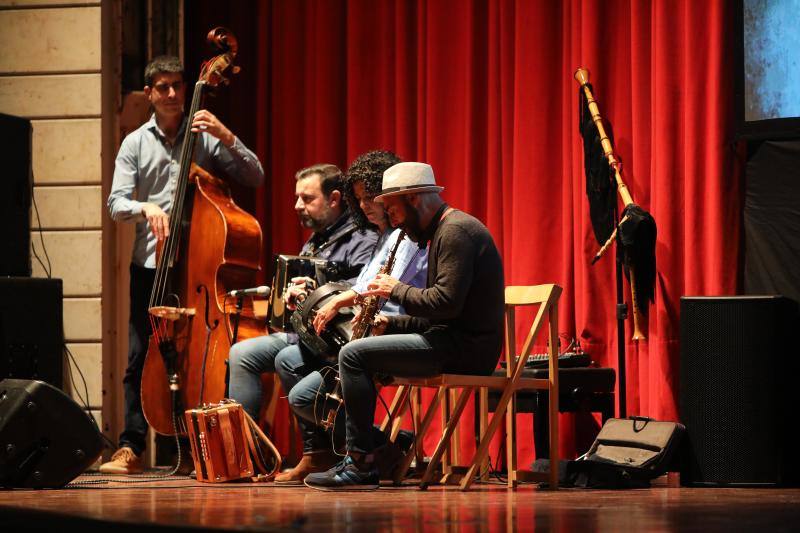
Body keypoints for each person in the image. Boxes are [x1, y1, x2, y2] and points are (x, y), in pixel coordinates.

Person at [103, 56, 265, 474]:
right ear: (149, 94)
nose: (173, 94)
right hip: (152, 265)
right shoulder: (136, 142)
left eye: (178, 85)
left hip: (201, 265)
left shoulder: (206, 138)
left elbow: (255, 175)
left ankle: (200, 445)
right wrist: (146, 207)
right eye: (163, 87)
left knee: (204, 353)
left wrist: (227, 137)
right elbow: (116, 203)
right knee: (143, 353)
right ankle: (131, 447)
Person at [303, 162, 505, 491]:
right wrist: (392, 323)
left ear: (413, 199)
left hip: (467, 349)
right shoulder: (440, 231)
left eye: (393, 211)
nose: (394, 221)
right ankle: (375, 452)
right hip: (448, 337)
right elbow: (439, 312)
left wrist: (392, 289)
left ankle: (361, 463)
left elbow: (445, 304)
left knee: (354, 356)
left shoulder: (455, 231)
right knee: (360, 355)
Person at [270, 150, 428, 484]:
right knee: (293, 353)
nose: (367, 206)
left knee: (303, 395)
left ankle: (366, 455)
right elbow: (363, 283)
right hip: (364, 326)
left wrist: (343, 297)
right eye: (360, 200)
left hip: (390, 329)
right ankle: (381, 448)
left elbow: (385, 289)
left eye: (371, 198)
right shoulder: (383, 236)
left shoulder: (406, 236)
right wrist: (317, 292)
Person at [226, 163, 378, 428]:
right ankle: (244, 450)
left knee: (286, 359)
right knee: (242, 352)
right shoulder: (315, 240)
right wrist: (293, 294)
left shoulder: (362, 237)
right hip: (303, 332)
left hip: (332, 339)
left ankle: (321, 450)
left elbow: (365, 287)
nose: (297, 205)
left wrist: (317, 287)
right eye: (297, 197)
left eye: (307, 198)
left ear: (334, 199)